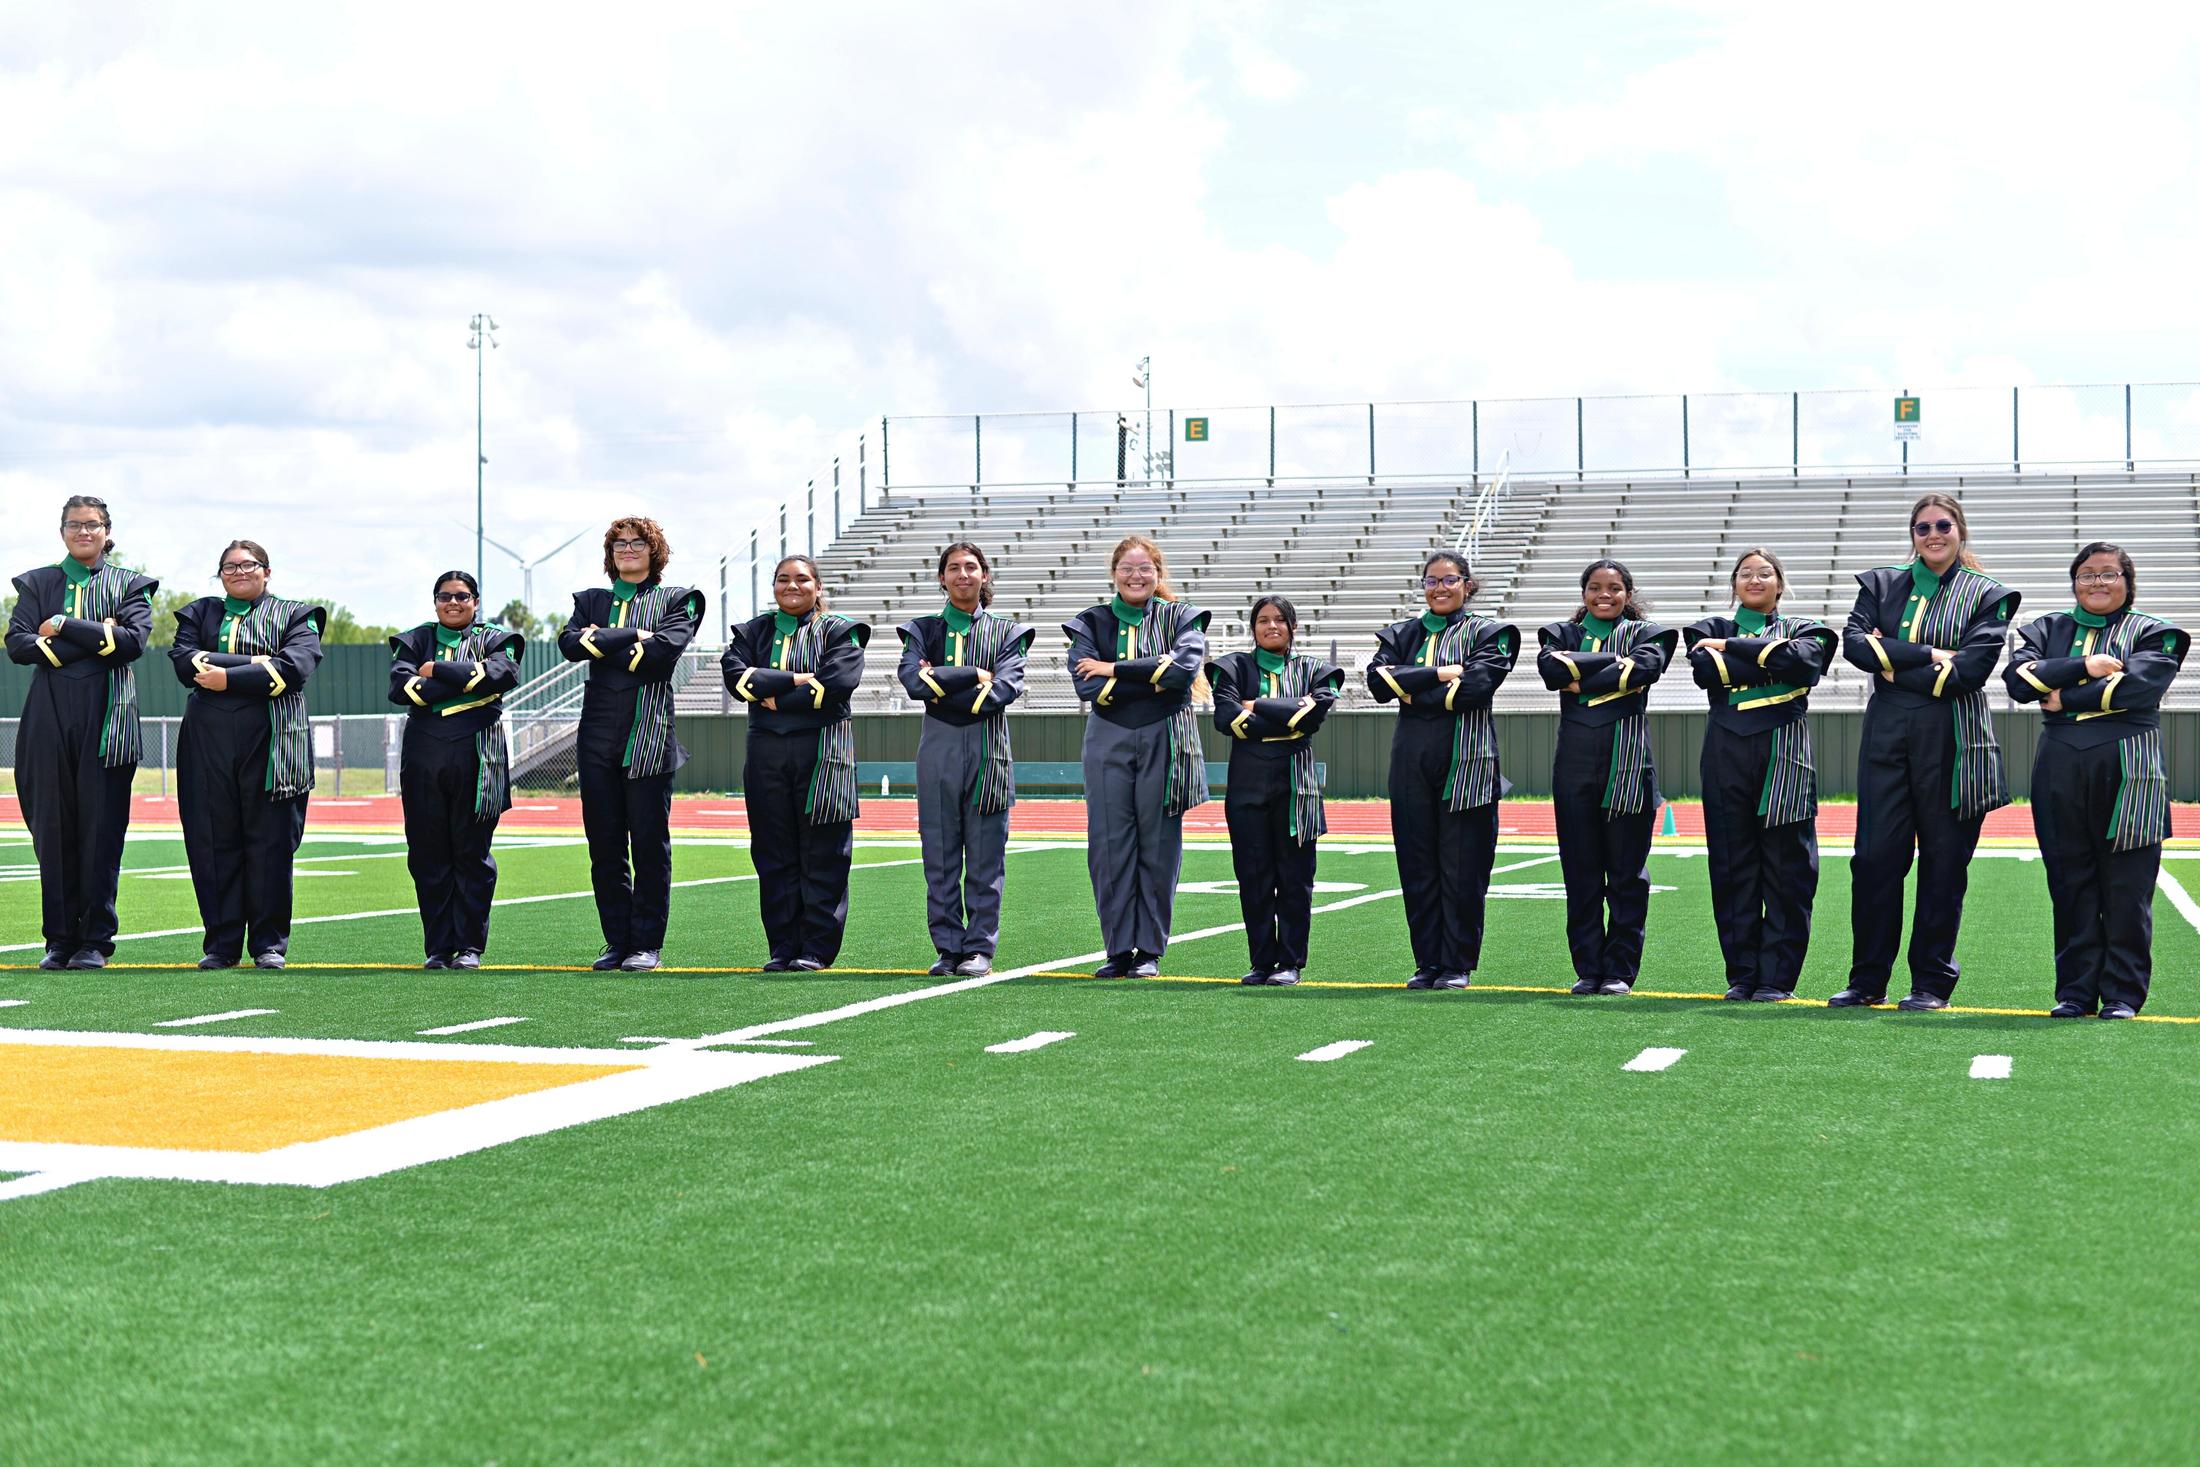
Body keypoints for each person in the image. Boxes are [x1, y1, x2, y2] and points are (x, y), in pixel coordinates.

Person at [1832, 493, 2019, 1011]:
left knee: (1943, 865)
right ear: (1912, 534)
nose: (1933, 534)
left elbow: (1971, 672)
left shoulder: (1990, 594)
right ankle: (1867, 980)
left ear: (1960, 530)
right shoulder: (1880, 583)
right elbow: (1853, 646)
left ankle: (1931, 984)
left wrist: (1889, 662)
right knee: (1873, 861)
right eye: (1922, 527)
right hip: (1888, 737)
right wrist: (1931, 655)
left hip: (1955, 740)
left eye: (1943, 525)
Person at [2005, 543, 2186, 1019]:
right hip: (2060, 763)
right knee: (2070, 882)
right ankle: (2076, 992)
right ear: (2074, 581)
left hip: (2131, 765)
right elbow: (2020, 682)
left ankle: (2123, 994)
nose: (2097, 583)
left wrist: (2062, 696)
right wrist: (2086, 668)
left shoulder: (2156, 632)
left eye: (2108, 574)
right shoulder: (2047, 627)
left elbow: (2140, 686)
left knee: (2127, 888)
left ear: (2127, 581)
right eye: (2087, 574)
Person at [5, 496, 159, 970]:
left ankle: (94, 940)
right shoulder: (37, 582)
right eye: (75, 525)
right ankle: (59, 939)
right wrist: (97, 637)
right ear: (63, 531)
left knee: (100, 830)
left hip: (107, 718)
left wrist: (65, 627)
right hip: (48, 714)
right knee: (50, 831)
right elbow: (17, 643)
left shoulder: (132, 584)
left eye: (92, 525)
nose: (83, 532)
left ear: (107, 531)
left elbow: (132, 643)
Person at [1683, 549, 1837, 1002]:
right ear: (1733, 583)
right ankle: (1743, 973)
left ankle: (1776, 978)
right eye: (1745, 574)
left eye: (1764, 573)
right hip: (1725, 751)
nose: (1754, 580)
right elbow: (1705, 673)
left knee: (1789, 869)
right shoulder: (1707, 628)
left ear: (1779, 584)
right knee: (1732, 867)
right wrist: (1775, 662)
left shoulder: (1809, 629)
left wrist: (1733, 652)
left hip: (1784, 753)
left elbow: (1805, 663)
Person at [169, 539, 327, 970]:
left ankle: (268, 944)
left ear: (267, 571)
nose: (238, 573)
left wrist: (225, 676)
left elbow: (294, 668)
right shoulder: (199, 613)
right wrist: (256, 662)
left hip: (274, 741)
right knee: (211, 842)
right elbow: (185, 662)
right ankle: (220, 945)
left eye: (247, 565)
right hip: (208, 740)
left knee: (271, 843)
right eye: (229, 567)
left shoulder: (298, 615)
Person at [557, 517, 705, 973]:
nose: (627, 549)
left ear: (653, 550)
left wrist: (599, 642)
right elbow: (568, 644)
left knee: (648, 843)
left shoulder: (678, 599)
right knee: (604, 845)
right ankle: (616, 940)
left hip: (649, 731)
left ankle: (646, 943)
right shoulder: (591, 600)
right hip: (597, 731)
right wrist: (630, 636)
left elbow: (662, 652)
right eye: (619, 543)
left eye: (637, 542)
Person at [1366, 552, 1518, 989]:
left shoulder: (1491, 632)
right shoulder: (1400, 632)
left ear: (1467, 584)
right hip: (1411, 760)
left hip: (1467, 761)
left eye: (1449, 580)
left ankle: (1456, 964)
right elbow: (1379, 684)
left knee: (1463, 869)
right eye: (1431, 581)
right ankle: (1427, 962)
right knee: (1417, 866)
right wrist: (1440, 673)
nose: (1440, 588)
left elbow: (1476, 688)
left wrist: (1412, 687)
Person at [1065, 534, 1210, 978]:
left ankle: (1148, 950)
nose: (1136, 576)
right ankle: (1117, 948)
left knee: (1159, 845)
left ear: (1158, 573)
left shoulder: (1181, 616)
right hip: (1108, 736)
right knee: (1109, 846)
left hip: (1164, 735)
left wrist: (1113, 668)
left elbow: (1183, 670)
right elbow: (1087, 687)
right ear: (1114, 574)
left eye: (1145, 568)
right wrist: (1154, 673)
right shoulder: (1089, 622)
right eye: (1127, 568)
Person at [721, 554, 870, 971]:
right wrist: (800, 679)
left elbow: (839, 681)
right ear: (773, 587)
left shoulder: (842, 631)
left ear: (818, 587)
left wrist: (769, 690)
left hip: (826, 752)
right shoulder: (753, 631)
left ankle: (816, 949)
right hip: (766, 751)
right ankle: (782, 946)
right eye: (783, 579)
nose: (792, 586)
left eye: (802, 579)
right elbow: (736, 678)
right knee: (772, 851)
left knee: (824, 852)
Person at [1537, 559, 1678, 996]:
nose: (1604, 594)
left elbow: (1645, 669)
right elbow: (1551, 672)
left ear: (1627, 594)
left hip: (1629, 764)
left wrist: (1579, 676)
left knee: (1626, 874)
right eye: (1595, 587)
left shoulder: (1649, 634)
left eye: (1614, 588)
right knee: (1580, 872)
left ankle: (1618, 970)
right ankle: (1588, 968)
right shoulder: (1559, 633)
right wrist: (1615, 669)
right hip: (1574, 766)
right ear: (1583, 594)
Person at [895, 542, 1032, 977]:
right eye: (953, 568)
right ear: (941, 578)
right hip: (937, 748)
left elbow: (1003, 691)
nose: (962, 575)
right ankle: (948, 947)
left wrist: (940, 684)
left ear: (984, 576)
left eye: (971, 567)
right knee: (939, 854)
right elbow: (913, 683)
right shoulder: (920, 629)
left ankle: (979, 949)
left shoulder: (1008, 632)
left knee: (986, 856)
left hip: (988, 750)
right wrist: (974, 674)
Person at [389, 571, 526, 970]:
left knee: (472, 852)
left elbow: (502, 675)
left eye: (462, 596)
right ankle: (438, 947)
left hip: (478, 752)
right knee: (427, 853)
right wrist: (470, 679)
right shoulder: (413, 639)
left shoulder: (499, 638)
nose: (453, 602)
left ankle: (469, 946)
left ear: (476, 601)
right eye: (445, 596)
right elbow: (400, 688)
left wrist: (432, 670)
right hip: (424, 752)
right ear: (434, 601)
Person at [1213, 594, 1345, 986]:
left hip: (1296, 784)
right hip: (1247, 783)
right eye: (1263, 620)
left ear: (1293, 627)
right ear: (1252, 628)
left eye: (1279, 620)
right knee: (1253, 877)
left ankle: (1290, 962)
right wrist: (1289, 714)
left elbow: (1313, 717)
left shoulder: (1316, 669)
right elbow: (1226, 718)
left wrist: (1255, 706)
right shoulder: (1231, 667)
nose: (1271, 626)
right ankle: (1261, 961)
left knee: (1294, 878)